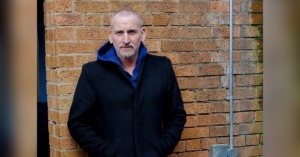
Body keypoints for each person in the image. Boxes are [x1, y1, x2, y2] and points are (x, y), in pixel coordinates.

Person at [68, 10, 186, 157]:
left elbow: (177, 115)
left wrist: (161, 147)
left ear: (142, 34)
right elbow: (77, 122)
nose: (125, 39)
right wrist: (107, 152)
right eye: (119, 33)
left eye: (131, 32)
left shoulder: (162, 68)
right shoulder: (92, 72)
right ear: (110, 36)